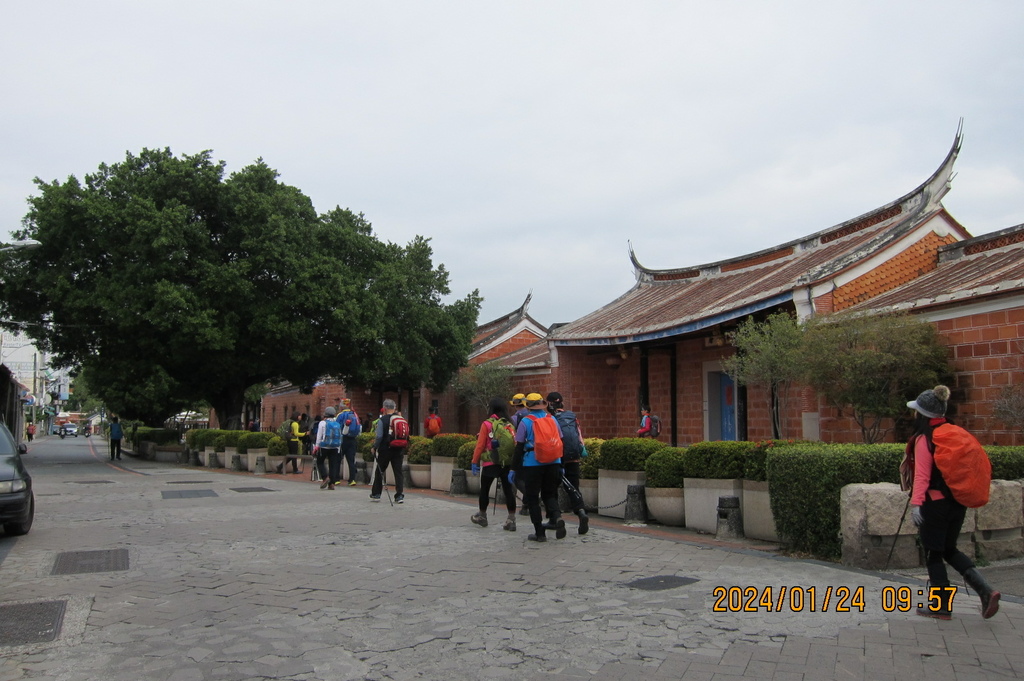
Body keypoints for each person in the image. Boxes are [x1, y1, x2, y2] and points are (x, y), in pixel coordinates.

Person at [907, 385, 999, 619]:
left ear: (923, 414)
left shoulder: (924, 438)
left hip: (935, 504)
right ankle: (985, 591)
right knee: (949, 549)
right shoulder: (955, 433)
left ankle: (940, 606)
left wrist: (917, 504)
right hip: (958, 503)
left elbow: (922, 475)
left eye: (916, 410)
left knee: (933, 554)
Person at [509, 393, 565, 542]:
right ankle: (557, 516)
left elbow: (519, 447)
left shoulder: (526, 422)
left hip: (533, 463)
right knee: (549, 494)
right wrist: (561, 464)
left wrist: (513, 469)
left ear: (529, 406)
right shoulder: (552, 419)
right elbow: (560, 440)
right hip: (553, 461)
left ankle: (539, 533)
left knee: (533, 497)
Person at [470, 398, 518, 531]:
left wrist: (475, 461)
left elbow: (480, 445)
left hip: (490, 462)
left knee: (485, 490)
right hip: (507, 463)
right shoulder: (510, 423)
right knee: (509, 491)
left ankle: (482, 516)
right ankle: (511, 519)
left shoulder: (487, 424)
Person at [547, 391, 589, 535]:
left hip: (559, 459)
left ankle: (555, 518)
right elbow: (579, 435)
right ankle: (581, 512)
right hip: (574, 457)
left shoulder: (551, 418)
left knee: (552, 488)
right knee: (573, 488)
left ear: (549, 403)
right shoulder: (572, 416)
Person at [371, 399, 406, 503]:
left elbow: (379, 436)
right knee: (398, 472)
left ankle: (376, 494)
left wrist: (374, 447)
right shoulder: (401, 418)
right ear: (394, 408)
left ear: (385, 409)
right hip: (399, 449)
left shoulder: (383, 420)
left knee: (380, 471)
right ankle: (399, 495)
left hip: (385, 449)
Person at [314, 407, 342, 489]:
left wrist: (316, 446)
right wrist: (338, 448)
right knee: (333, 464)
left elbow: (319, 436)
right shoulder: (337, 424)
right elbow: (340, 436)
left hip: (324, 446)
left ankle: (325, 477)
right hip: (335, 447)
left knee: (320, 461)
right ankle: (332, 483)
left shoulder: (322, 423)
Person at [337, 399, 361, 486]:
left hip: (343, 439)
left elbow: (337, 427)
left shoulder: (340, 415)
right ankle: (352, 480)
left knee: (338, 459)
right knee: (351, 460)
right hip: (353, 439)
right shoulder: (354, 414)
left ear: (342, 406)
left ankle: (336, 479)